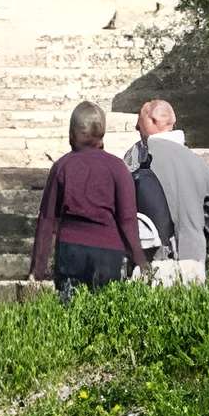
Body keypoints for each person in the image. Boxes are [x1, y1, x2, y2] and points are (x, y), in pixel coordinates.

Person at [30, 99, 143, 301]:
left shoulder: (62, 166)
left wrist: (37, 269)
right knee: (106, 314)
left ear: (72, 133)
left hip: (71, 251)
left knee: (70, 315)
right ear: (102, 133)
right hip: (109, 253)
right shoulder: (117, 168)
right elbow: (127, 220)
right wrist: (140, 261)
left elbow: (47, 220)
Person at [127, 98, 209, 287]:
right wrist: (200, 240)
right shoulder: (196, 162)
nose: (136, 127)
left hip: (151, 261)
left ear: (153, 121)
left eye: (139, 120)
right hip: (193, 261)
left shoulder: (136, 157)